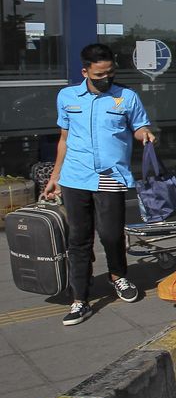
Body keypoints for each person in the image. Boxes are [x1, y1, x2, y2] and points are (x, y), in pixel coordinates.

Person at [45, 44, 155, 326]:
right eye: (99, 75)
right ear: (85, 72)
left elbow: (139, 125)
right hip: (75, 177)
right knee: (79, 239)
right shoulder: (68, 97)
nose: (106, 79)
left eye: (110, 73)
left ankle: (118, 277)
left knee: (110, 234)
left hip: (111, 176)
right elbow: (64, 140)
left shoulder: (126, 97)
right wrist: (55, 177)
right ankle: (79, 298)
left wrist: (145, 134)